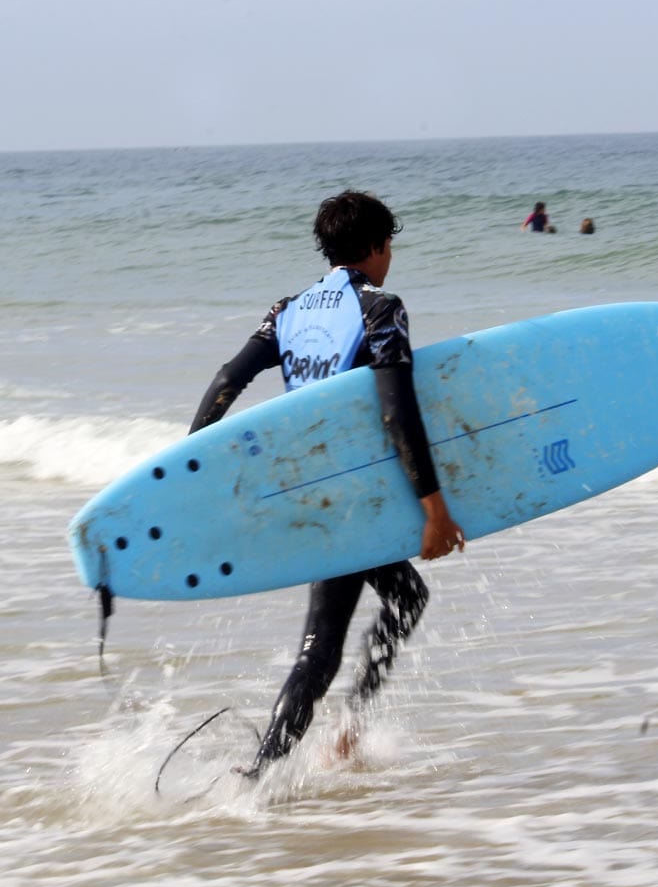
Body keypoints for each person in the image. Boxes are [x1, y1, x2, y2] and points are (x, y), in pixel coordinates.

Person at [189, 189, 465, 779]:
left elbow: (225, 380)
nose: (390, 257)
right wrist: (434, 509)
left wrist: (194, 466)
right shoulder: (379, 308)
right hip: (351, 500)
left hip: (309, 491)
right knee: (322, 648)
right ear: (376, 246)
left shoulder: (286, 310)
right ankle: (263, 775)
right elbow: (398, 413)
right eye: (389, 246)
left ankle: (338, 737)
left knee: (402, 599)